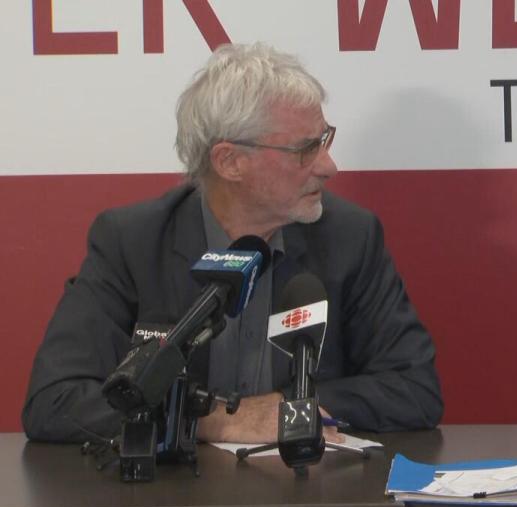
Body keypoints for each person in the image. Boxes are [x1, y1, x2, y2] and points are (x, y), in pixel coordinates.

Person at [22, 43, 443, 443]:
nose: (329, 166)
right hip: (170, 506)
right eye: (306, 149)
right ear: (230, 162)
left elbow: (414, 389)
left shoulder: (350, 237)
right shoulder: (132, 243)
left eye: (325, 140)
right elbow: (54, 401)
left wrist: (287, 409)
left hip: (310, 501)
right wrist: (213, 420)